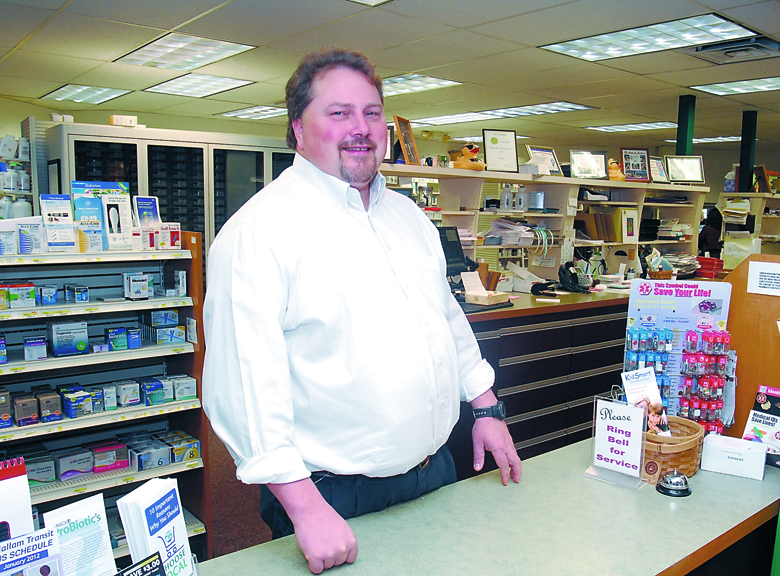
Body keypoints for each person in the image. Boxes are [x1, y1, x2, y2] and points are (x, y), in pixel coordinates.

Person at [202, 48, 522, 575]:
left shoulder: (408, 216)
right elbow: (243, 386)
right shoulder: (258, 234)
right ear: (298, 130)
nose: (361, 128)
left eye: (372, 113)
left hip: (433, 471)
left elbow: (444, 320)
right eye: (339, 113)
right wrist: (305, 508)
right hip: (332, 498)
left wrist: (485, 408)